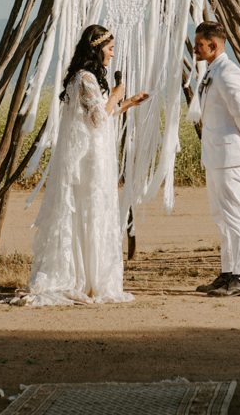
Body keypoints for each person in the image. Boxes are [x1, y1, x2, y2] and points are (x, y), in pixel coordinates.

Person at [21, 24, 148, 306]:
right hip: (89, 157)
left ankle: (91, 275)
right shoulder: (85, 79)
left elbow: (101, 115)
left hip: (97, 152)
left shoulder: (86, 78)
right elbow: (97, 121)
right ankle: (83, 276)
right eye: (110, 49)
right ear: (97, 49)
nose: (113, 54)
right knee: (88, 207)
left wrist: (127, 103)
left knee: (95, 207)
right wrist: (115, 94)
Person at [193, 20, 240, 297]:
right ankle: (227, 271)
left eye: (199, 44)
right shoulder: (213, 70)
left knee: (235, 215)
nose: (195, 49)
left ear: (214, 45)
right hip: (215, 153)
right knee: (221, 215)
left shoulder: (229, 73)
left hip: (230, 153)